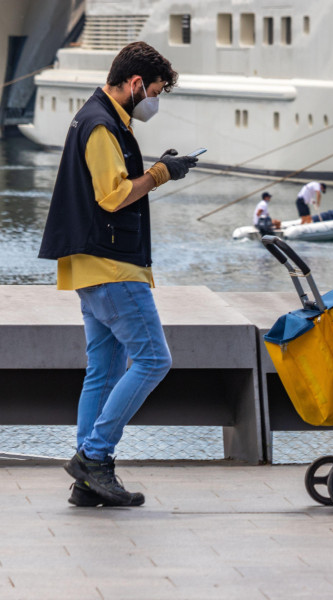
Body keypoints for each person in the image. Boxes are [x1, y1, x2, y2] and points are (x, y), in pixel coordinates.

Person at [38, 41, 198, 507]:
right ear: (134, 84)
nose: (155, 100)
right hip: (112, 266)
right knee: (153, 359)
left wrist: (160, 167)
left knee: (103, 371)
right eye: (155, 90)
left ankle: (87, 483)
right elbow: (112, 197)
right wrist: (162, 174)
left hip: (89, 268)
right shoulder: (102, 126)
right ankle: (93, 458)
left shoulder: (96, 118)